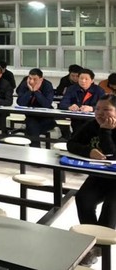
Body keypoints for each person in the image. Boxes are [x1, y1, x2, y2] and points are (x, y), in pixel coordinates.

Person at [67, 94, 116, 266]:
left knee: (111, 205)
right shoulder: (91, 125)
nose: (100, 113)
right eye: (97, 109)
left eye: (107, 109)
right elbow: (71, 143)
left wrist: (106, 131)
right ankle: (92, 242)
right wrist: (88, 151)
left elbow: (111, 155)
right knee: (83, 198)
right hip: (101, 176)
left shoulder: (103, 127)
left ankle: (99, 247)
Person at [16, 68, 55, 147]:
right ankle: (36, 149)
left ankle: (34, 149)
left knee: (31, 128)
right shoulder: (25, 84)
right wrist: (30, 91)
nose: (31, 81)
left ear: (41, 79)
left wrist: (36, 91)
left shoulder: (47, 85)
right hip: (31, 116)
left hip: (46, 117)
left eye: (35, 79)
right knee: (32, 125)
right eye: (30, 78)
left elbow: (47, 104)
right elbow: (20, 102)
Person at [59, 68, 105, 133]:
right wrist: (69, 107)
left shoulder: (99, 90)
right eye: (81, 78)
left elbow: (104, 106)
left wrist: (92, 108)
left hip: (93, 120)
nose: (83, 81)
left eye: (86, 79)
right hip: (76, 119)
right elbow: (62, 104)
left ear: (92, 80)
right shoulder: (71, 89)